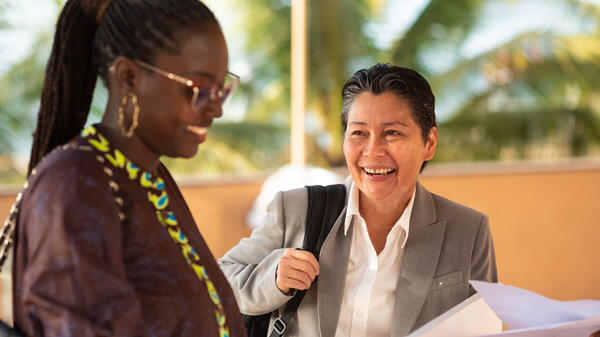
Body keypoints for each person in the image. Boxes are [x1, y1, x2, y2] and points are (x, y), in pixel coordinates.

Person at [11, 0, 246, 336]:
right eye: (199, 90)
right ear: (129, 76)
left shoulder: (150, 177)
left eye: (221, 89)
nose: (216, 109)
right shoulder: (74, 183)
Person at [219, 63, 498, 337]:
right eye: (359, 133)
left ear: (429, 143)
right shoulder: (296, 210)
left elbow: (482, 328)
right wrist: (273, 279)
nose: (372, 151)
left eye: (392, 133)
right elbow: (216, 283)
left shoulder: (469, 231)